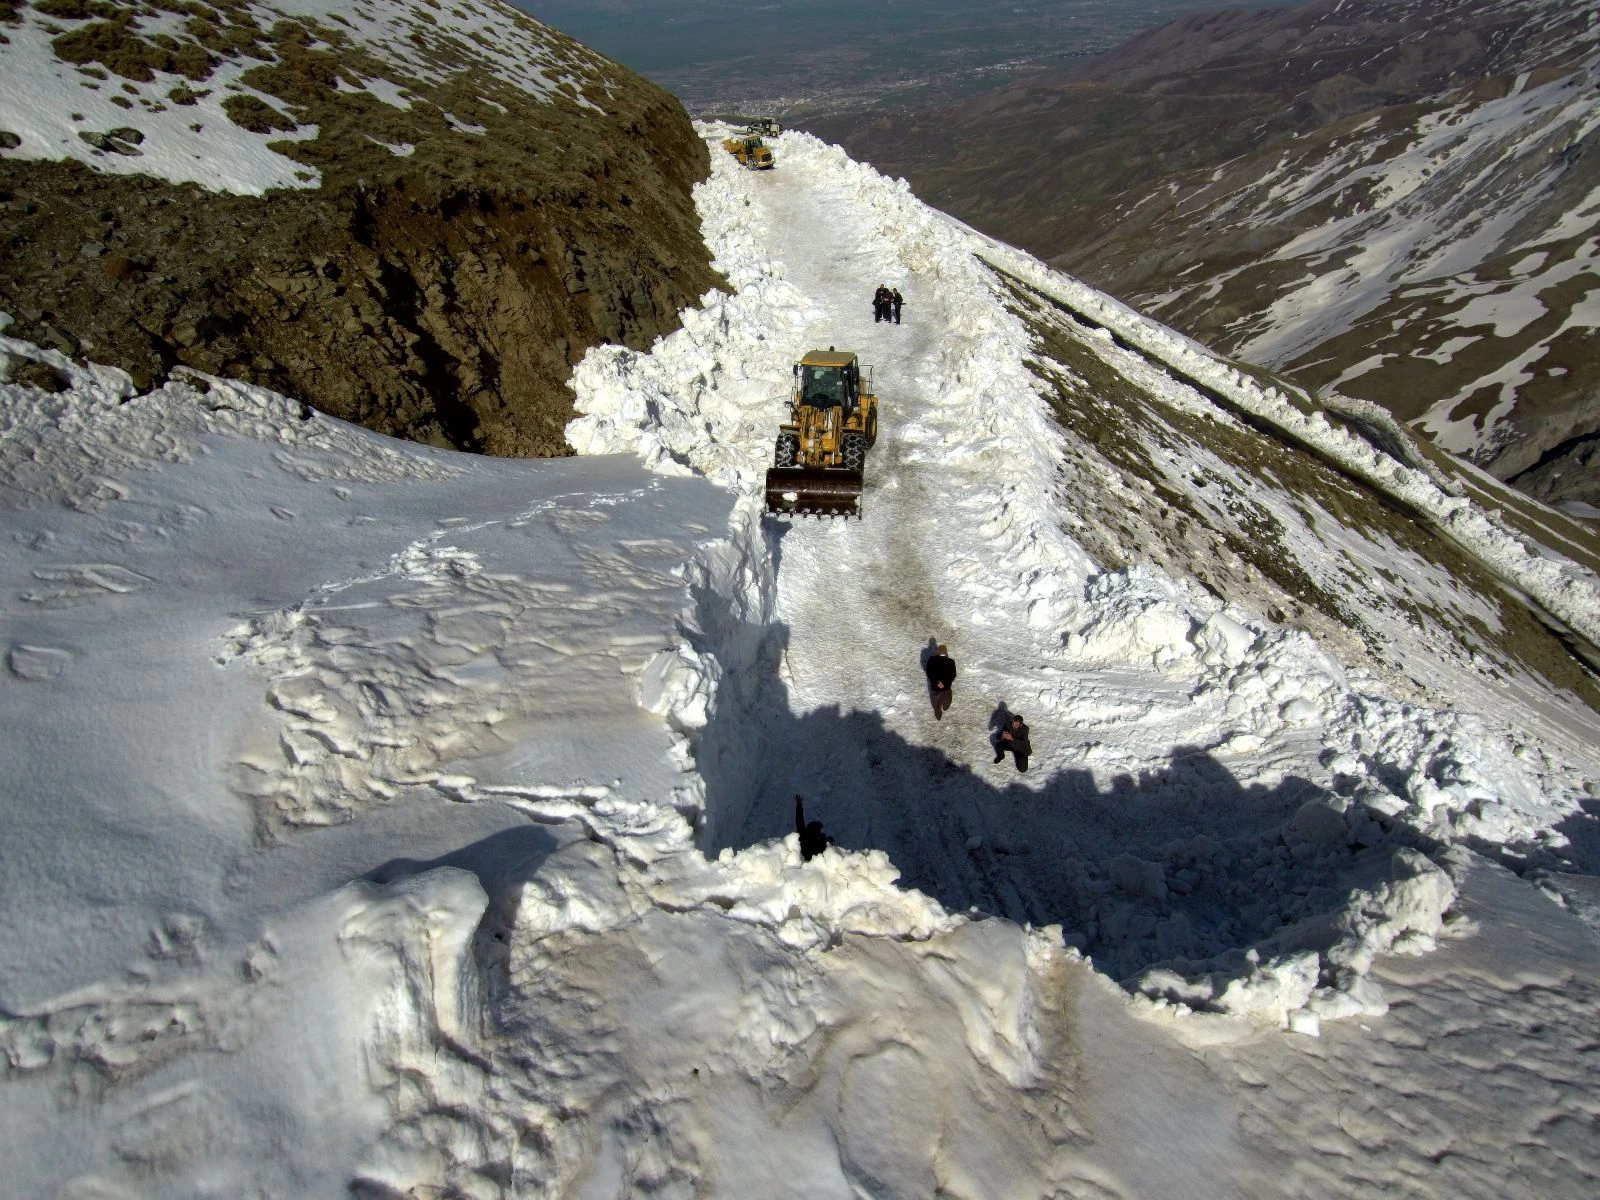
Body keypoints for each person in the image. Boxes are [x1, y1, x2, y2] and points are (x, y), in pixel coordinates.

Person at [795, 793, 833, 861]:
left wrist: (799, 804)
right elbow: (799, 821)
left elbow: (799, 821)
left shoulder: (805, 835)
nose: (820, 831)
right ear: (815, 829)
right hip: (811, 866)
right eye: (819, 830)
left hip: (811, 866)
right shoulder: (804, 835)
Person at [924, 643, 956, 720]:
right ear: (946, 652)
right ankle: (946, 706)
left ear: (938, 651)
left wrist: (937, 682)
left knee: (936, 701)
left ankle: (938, 713)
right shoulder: (951, 662)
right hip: (946, 687)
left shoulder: (931, 660)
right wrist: (944, 684)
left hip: (935, 687)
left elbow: (929, 672)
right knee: (947, 697)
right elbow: (953, 675)